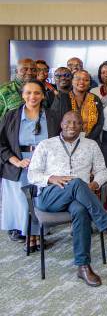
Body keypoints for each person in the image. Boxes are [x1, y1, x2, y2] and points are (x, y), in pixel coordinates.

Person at [27, 111, 107, 287]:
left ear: (82, 126)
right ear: (61, 124)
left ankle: (83, 266)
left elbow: (102, 170)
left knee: (80, 209)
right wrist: (51, 178)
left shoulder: (91, 145)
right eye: (68, 122)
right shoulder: (46, 145)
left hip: (80, 197)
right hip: (51, 196)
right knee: (77, 182)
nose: (72, 125)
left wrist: (94, 185)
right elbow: (32, 174)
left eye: (77, 123)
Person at [0, 81, 60, 251]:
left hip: (46, 166)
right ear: (22, 95)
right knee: (23, 203)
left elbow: (59, 143)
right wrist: (16, 161)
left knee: (39, 201)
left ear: (42, 95)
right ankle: (28, 236)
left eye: (36, 93)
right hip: (19, 165)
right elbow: (1, 143)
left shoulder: (52, 116)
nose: (32, 97)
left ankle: (37, 236)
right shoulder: (11, 116)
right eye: (28, 93)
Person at [51, 70, 104, 142]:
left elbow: (99, 122)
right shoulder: (61, 98)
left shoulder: (95, 99)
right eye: (78, 79)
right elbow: (54, 121)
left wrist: (88, 140)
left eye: (86, 80)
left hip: (90, 141)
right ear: (72, 81)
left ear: (89, 83)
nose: (82, 82)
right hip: (66, 142)